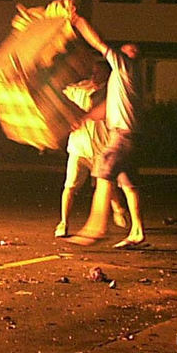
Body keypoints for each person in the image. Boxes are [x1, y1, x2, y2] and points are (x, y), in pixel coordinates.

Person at [66, 14, 146, 248]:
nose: (123, 49)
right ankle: (138, 231)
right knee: (129, 185)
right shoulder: (123, 79)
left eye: (129, 49)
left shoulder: (125, 66)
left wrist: (78, 20)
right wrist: (85, 118)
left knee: (103, 169)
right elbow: (106, 108)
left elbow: (98, 42)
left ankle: (96, 228)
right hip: (128, 135)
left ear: (132, 56)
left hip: (122, 135)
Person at [55, 59, 128, 238]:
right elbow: (57, 96)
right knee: (70, 186)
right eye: (92, 72)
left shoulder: (111, 93)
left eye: (98, 72)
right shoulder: (80, 88)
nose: (94, 75)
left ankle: (117, 209)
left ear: (107, 74)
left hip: (101, 148)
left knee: (105, 185)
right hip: (78, 147)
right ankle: (64, 222)